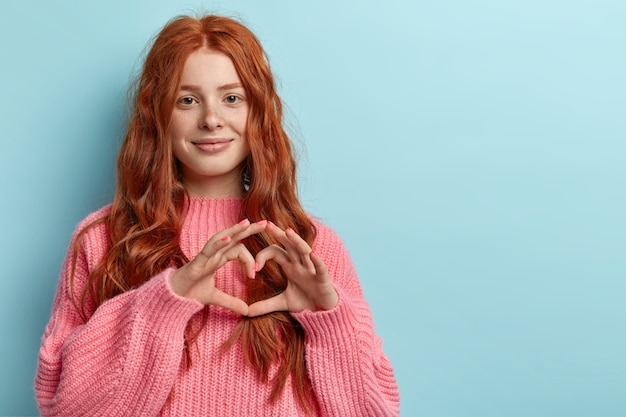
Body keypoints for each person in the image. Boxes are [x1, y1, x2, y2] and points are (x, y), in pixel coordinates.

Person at [35, 14, 400, 417]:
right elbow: (63, 408)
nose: (211, 119)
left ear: (257, 112)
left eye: (231, 98)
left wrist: (329, 322)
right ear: (159, 115)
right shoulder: (104, 238)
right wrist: (165, 302)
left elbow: (375, 412)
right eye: (187, 100)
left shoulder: (310, 248)